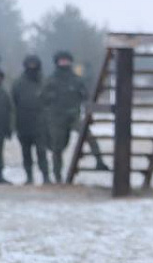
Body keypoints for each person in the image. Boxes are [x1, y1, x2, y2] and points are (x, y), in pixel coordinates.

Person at [39, 50, 107, 183]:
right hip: (56, 118)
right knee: (57, 148)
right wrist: (49, 99)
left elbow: (87, 95)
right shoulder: (51, 80)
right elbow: (42, 99)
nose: (64, 63)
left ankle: (99, 160)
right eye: (62, 60)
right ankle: (57, 176)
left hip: (74, 116)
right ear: (57, 62)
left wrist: (86, 95)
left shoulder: (76, 80)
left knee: (88, 135)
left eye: (66, 60)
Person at [10, 55, 50, 185]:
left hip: (40, 124)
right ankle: (29, 177)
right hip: (23, 123)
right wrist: (13, 124)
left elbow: (50, 102)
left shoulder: (45, 82)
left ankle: (46, 177)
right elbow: (12, 105)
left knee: (41, 152)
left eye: (34, 64)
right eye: (30, 64)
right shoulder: (18, 83)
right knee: (26, 153)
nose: (32, 67)